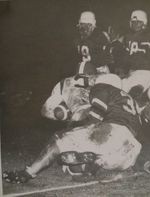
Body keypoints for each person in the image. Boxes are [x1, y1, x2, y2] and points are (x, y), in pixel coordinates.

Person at [3, 74, 142, 184]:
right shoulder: (127, 98)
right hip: (131, 147)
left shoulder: (101, 89)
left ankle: (28, 172)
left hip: (111, 133)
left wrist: (72, 129)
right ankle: (91, 165)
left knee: (59, 138)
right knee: (95, 146)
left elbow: (94, 119)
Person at [122, 10, 150, 99]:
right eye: (133, 22)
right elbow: (126, 58)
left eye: (138, 22)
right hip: (131, 72)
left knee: (133, 93)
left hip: (145, 72)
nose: (135, 24)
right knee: (120, 92)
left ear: (144, 23)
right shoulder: (127, 37)